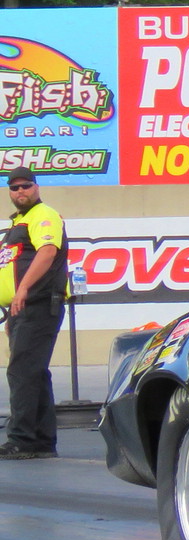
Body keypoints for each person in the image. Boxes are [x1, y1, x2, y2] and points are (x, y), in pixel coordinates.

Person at [0, 167, 68, 459]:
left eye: (25, 186)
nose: (20, 192)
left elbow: (48, 251)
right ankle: (41, 440)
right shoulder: (19, 222)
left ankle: (21, 440)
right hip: (21, 309)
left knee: (22, 371)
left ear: (36, 187)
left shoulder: (43, 215)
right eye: (14, 188)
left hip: (38, 303)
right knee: (34, 372)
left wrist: (24, 289)